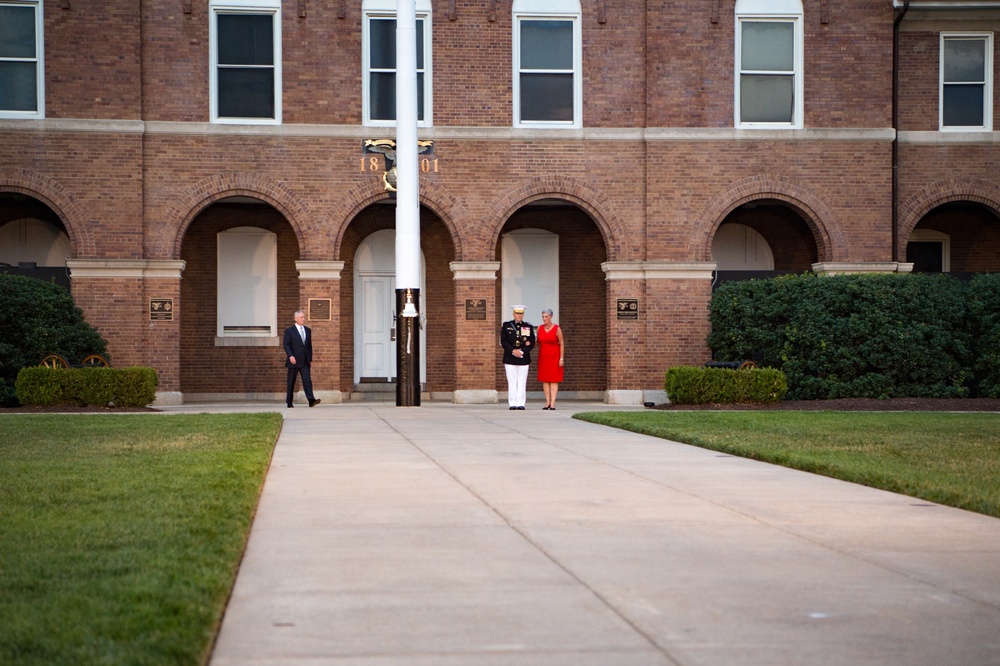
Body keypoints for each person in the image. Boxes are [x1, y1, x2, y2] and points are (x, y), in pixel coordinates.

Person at [500, 304, 535, 410]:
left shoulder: (528, 326)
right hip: (510, 357)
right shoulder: (506, 325)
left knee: (522, 381)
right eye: (517, 313)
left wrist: (523, 351)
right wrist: (513, 351)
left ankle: (521, 403)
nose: (519, 316)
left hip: (523, 358)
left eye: (521, 313)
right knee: (512, 381)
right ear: (513, 314)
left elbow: (532, 341)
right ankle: (512, 403)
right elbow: (504, 341)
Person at [283, 310, 320, 408]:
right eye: (301, 317)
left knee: (307, 380)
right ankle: (289, 402)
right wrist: (290, 356)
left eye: (304, 317)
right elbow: (286, 344)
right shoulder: (290, 331)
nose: (303, 319)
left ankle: (311, 400)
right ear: (296, 319)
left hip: (304, 361)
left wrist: (309, 359)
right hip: (294, 360)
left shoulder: (308, 330)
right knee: (291, 381)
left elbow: (309, 346)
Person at [536, 308, 565, 410]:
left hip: (554, 357)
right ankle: (547, 402)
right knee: (545, 380)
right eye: (543, 317)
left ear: (551, 317)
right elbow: (537, 342)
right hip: (543, 357)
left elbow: (561, 343)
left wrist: (561, 358)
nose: (544, 319)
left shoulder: (557, 329)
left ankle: (553, 403)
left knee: (553, 380)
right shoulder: (539, 328)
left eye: (546, 317)